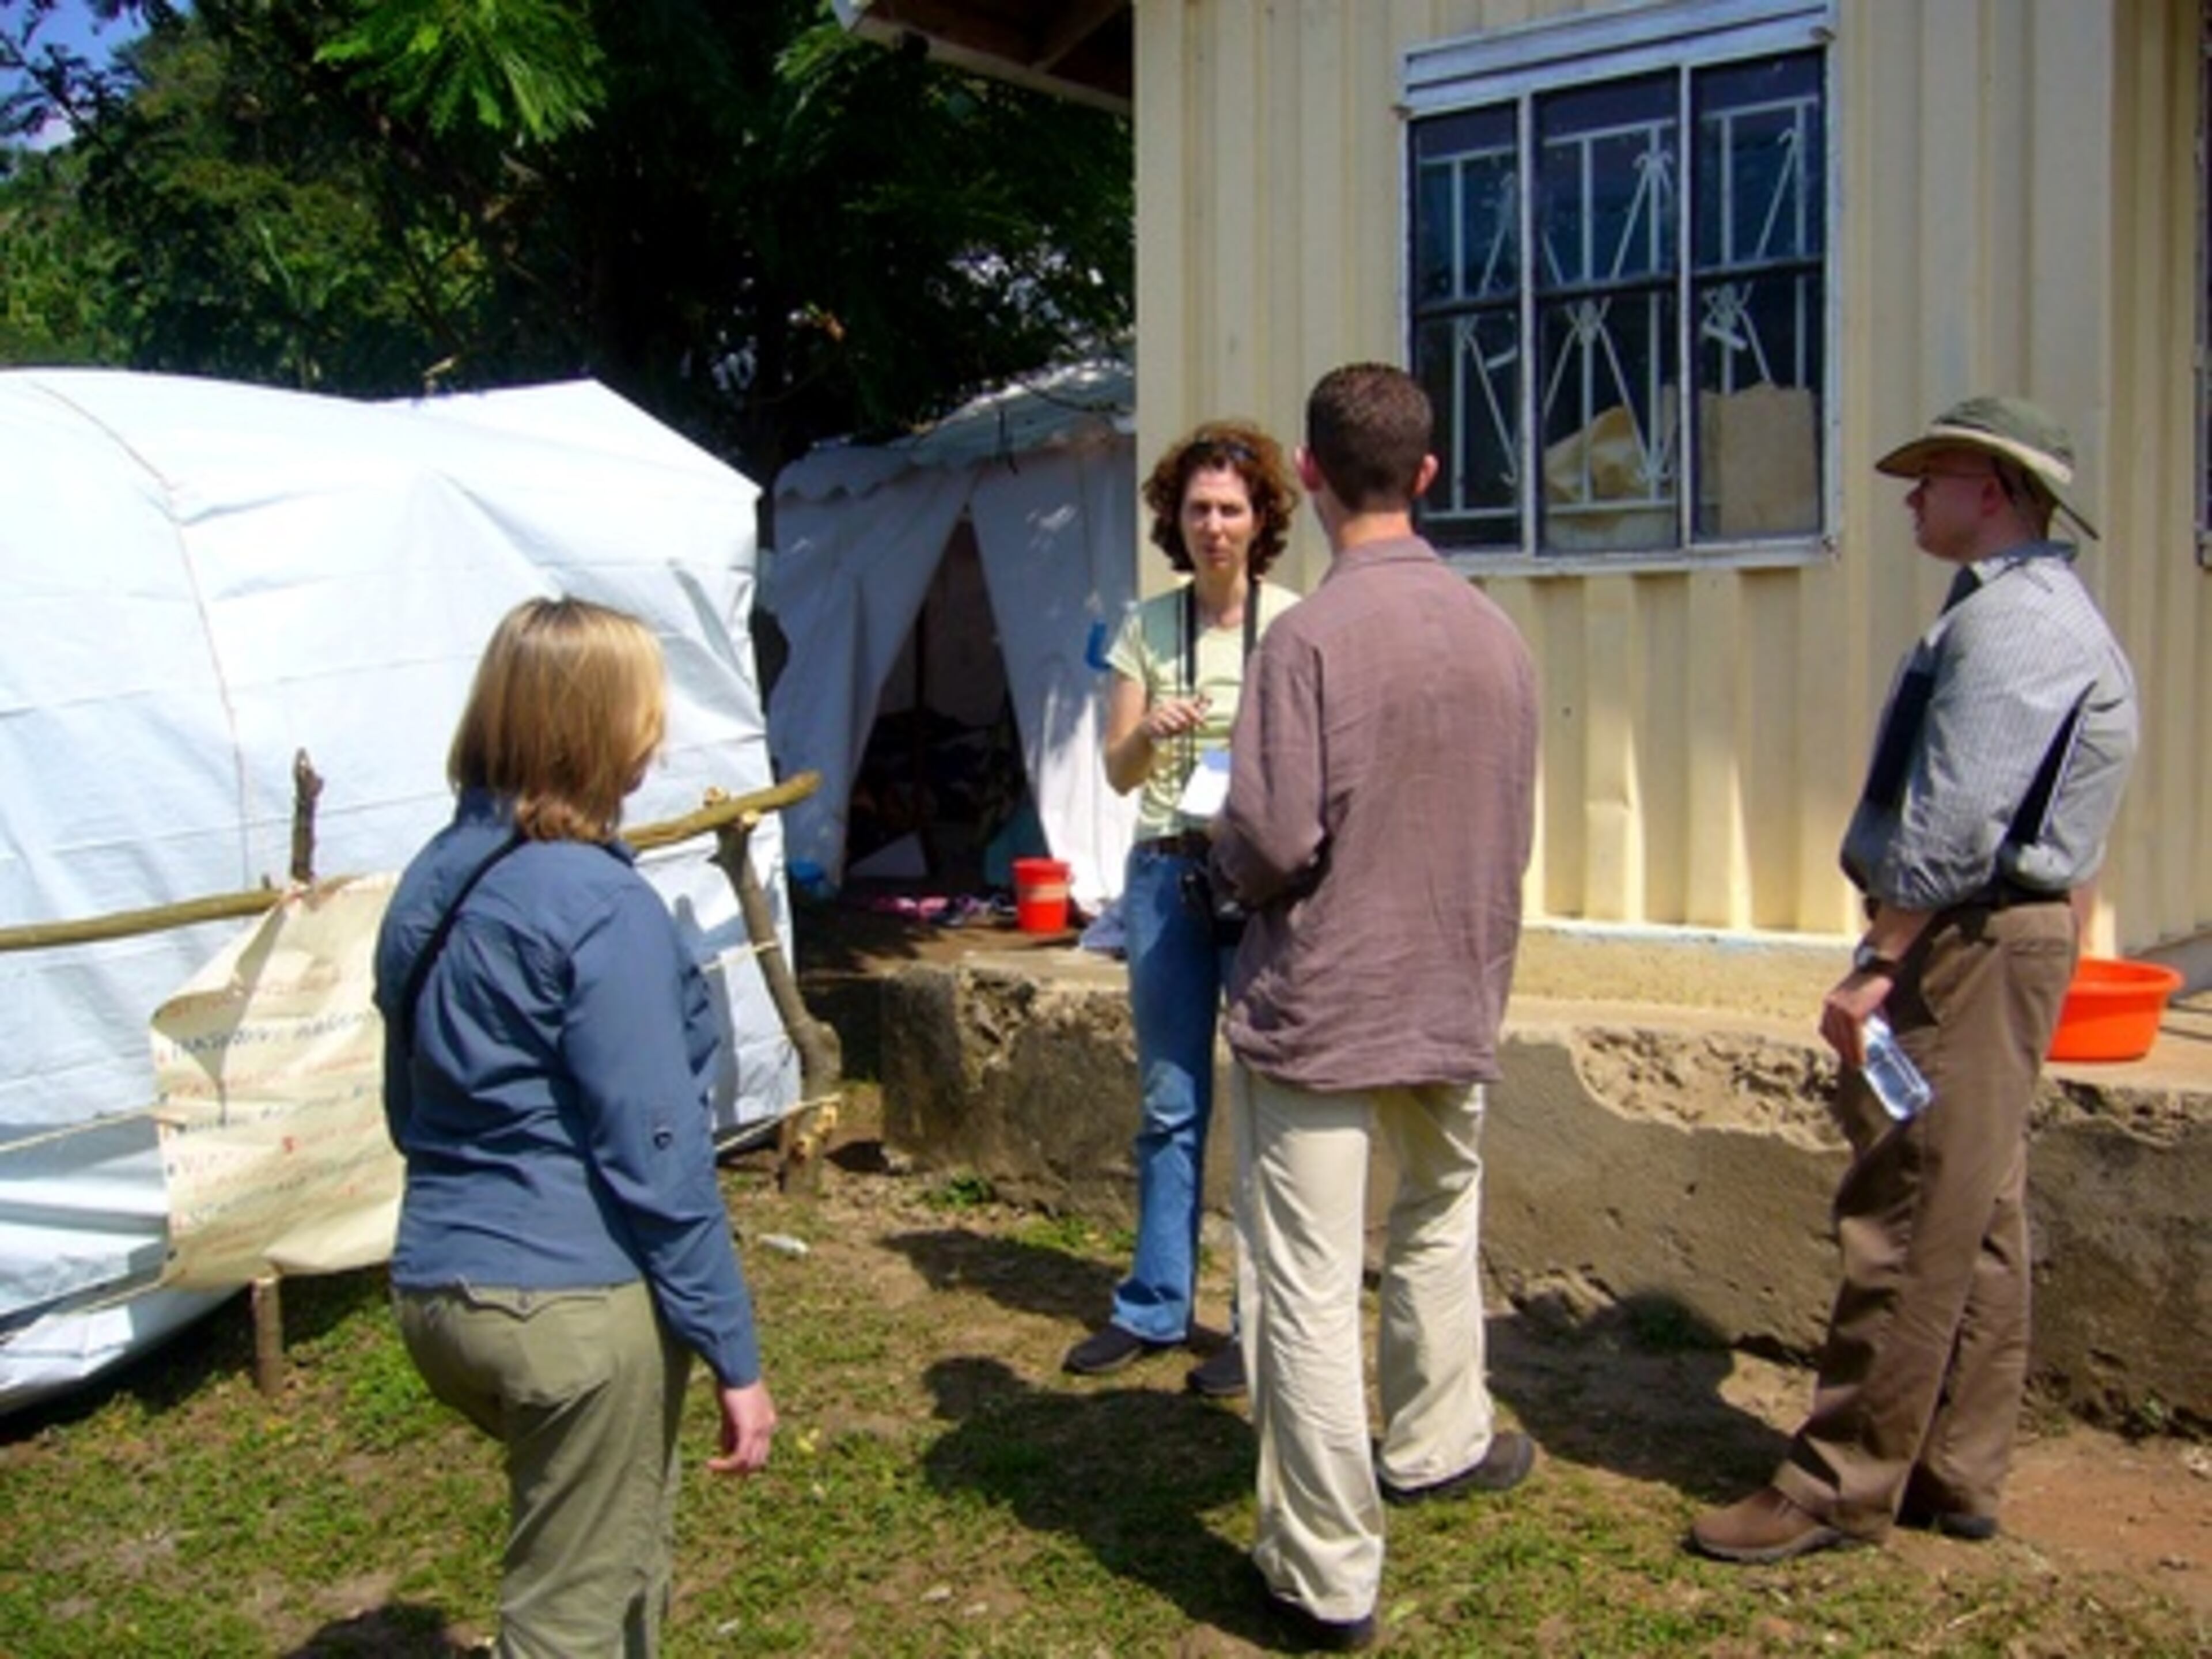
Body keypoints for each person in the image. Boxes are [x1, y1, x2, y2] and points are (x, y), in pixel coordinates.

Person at [1691, 396, 2138, 1565]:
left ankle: (1838, 1481)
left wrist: (1881, 960)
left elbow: (1956, 823)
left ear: (1991, 488)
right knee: (1974, 1212)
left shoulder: (2017, 627)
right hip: (1991, 934)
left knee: (1903, 1208)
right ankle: (1956, 1469)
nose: (1909, 499)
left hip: (1965, 939)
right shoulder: (2019, 614)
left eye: (1928, 477)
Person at [374, 597, 776, 1656]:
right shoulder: (600, 906)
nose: (658, 735)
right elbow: (658, 1157)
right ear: (599, 729)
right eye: (645, 710)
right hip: (570, 1305)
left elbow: (404, 1109)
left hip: (436, 1287)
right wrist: (736, 1353)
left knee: (618, 1548)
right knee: (567, 1615)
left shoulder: (429, 878)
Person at [1210, 363, 1540, 1650]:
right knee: (1439, 1219)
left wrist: (1224, 871)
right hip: (1455, 981)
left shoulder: (1307, 642)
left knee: (1303, 1274)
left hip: (1330, 996)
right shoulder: (1498, 635)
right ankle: (1441, 1434)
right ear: (1428, 475)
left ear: (1304, 473)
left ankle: (1325, 1568)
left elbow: (1278, 837)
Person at [1061, 420, 1302, 1398]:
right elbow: (1117, 775)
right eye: (1198, 508)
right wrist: (1150, 734)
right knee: (1168, 1102)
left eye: (1232, 509)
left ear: (1261, 520)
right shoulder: (1144, 629)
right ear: (1176, 518)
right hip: (1165, 873)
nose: (1214, 526)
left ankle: (1257, 1322)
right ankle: (1156, 1304)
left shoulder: (1289, 624)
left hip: (1255, 879)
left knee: (1263, 1104)